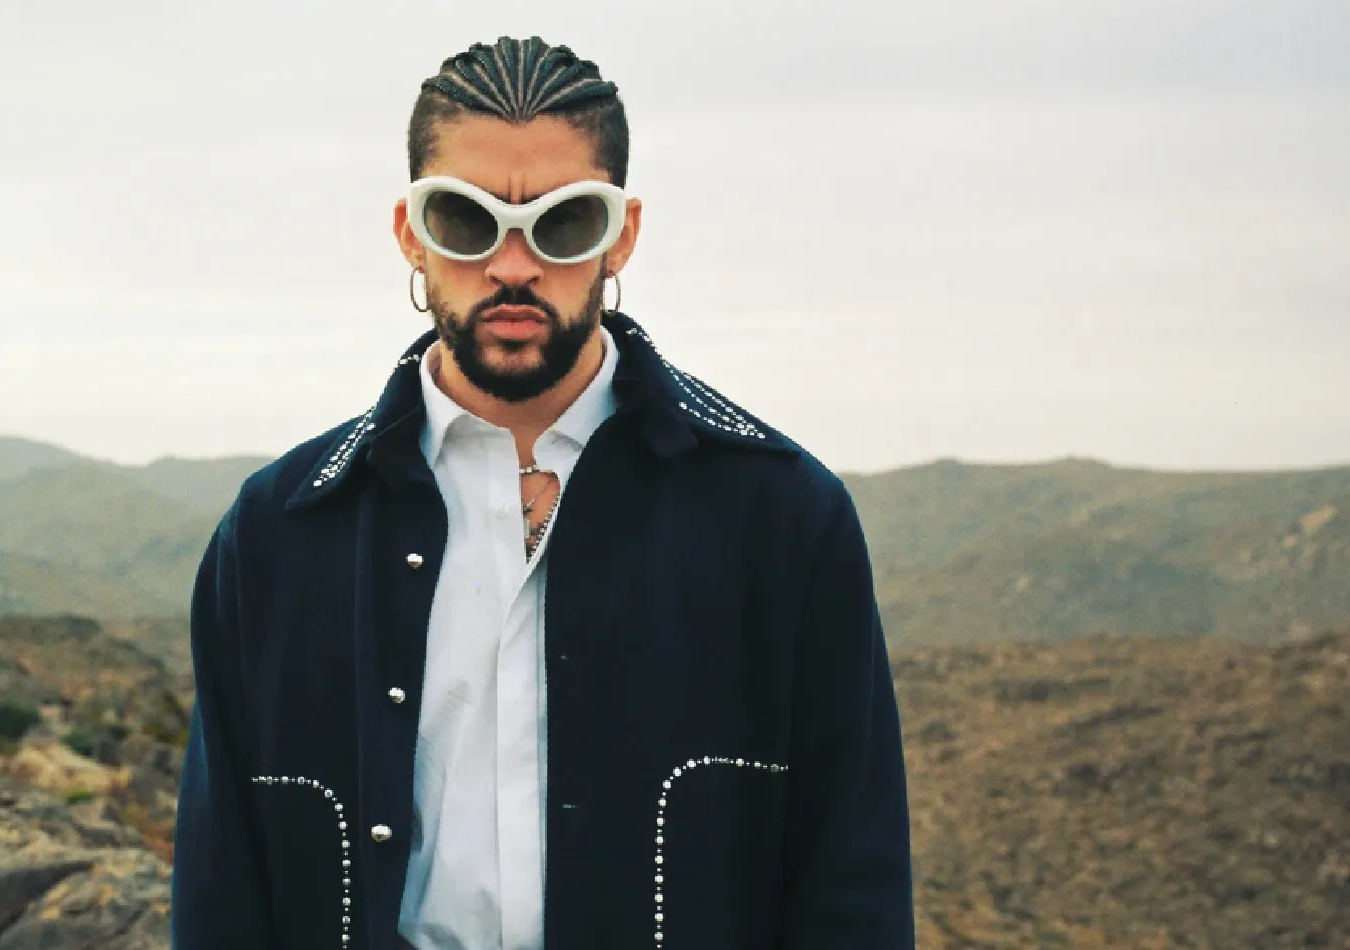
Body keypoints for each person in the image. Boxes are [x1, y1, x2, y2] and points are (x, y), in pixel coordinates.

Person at [172, 35, 913, 949]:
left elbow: (852, 884)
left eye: (563, 222)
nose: (513, 264)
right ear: (410, 232)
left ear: (621, 235)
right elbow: (220, 890)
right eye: (465, 218)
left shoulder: (783, 521)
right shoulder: (278, 535)